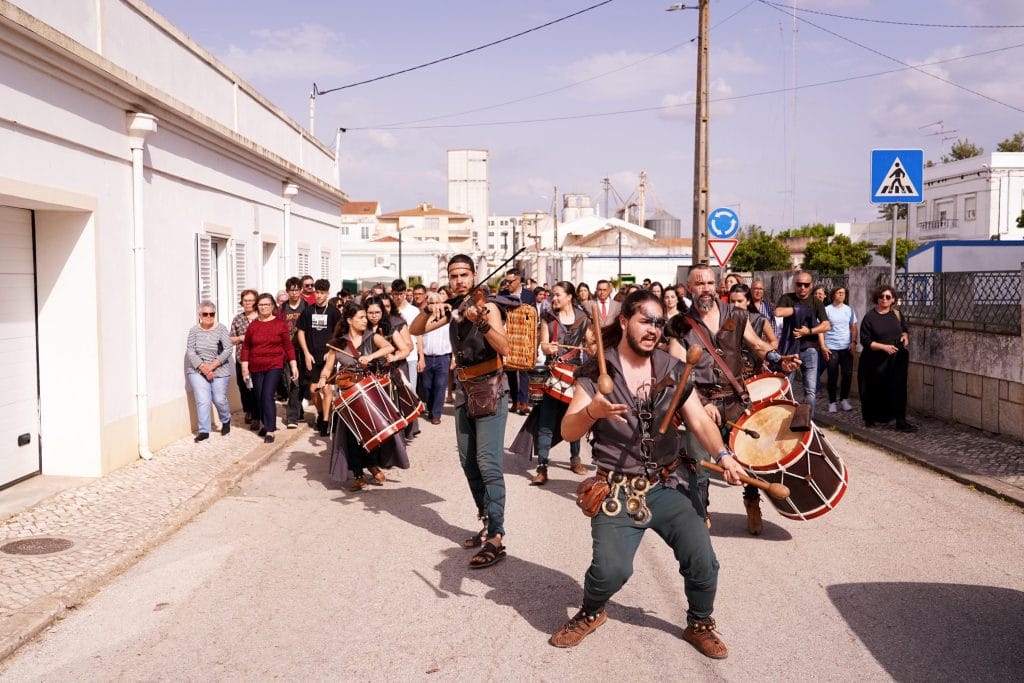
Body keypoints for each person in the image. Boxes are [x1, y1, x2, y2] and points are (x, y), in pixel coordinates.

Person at [548, 289, 747, 658]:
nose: (653, 328)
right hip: (617, 489)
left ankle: (700, 623)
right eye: (645, 320)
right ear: (624, 321)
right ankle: (592, 611)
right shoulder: (597, 370)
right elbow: (567, 431)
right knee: (610, 572)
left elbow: (700, 421)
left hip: (667, 484)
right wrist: (593, 411)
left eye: (658, 322)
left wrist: (723, 454)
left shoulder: (673, 368)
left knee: (702, 559)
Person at [670, 265, 798, 535]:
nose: (705, 288)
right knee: (698, 462)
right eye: (698, 283)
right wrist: (700, 402)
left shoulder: (738, 316)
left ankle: (752, 504)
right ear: (689, 288)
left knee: (749, 457)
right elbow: (677, 371)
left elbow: (757, 345)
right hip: (700, 403)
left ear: (718, 286)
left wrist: (778, 359)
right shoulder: (679, 325)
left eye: (709, 283)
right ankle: (700, 510)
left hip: (736, 401)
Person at [411, 254, 511, 569]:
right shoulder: (453, 311)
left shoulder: (489, 306)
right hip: (465, 392)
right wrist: (430, 307)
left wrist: (479, 320)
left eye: (464, 274)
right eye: (453, 275)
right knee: (468, 462)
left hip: (491, 388)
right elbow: (417, 329)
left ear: (474, 275)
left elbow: (504, 347)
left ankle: (497, 535)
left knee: (488, 463)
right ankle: (486, 521)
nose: (458, 280)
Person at [316, 301, 403, 489]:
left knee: (372, 433)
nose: (365, 320)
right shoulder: (338, 343)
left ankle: (372, 465)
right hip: (348, 394)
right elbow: (328, 368)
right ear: (349, 320)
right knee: (351, 436)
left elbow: (389, 347)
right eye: (361, 317)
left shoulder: (372, 337)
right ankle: (357, 474)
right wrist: (323, 379)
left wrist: (370, 357)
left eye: (365, 317)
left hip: (368, 392)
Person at [512, 281, 591, 485]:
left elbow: (591, 343)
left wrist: (593, 348)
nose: (553, 298)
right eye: (552, 295)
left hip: (574, 374)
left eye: (557, 295)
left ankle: (575, 459)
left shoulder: (583, 319)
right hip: (553, 373)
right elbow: (544, 344)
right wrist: (548, 349)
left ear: (569, 296)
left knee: (574, 419)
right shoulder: (548, 318)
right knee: (546, 422)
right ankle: (542, 467)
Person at [241, 293, 298, 443]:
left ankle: (270, 430)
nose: (264, 307)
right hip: (256, 366)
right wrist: (244, 366)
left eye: (266, 304)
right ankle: (266, 425)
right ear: (257, 307)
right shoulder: (253, 325)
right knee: (259, 397)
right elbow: (246, 347)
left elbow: (288, 346)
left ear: (272, 306)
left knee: (267, 395)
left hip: (274, 365)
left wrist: (293, 364)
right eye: (261, 305)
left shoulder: (280, 324)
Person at [858, 286, 916, 432]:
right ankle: (870, 418)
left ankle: (900, 421)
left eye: (888, 297)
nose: (884, 299)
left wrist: (905, 336)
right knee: (873, 389)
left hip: (896, 358)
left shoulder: (897, 314)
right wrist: (884, 347)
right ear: (877, 299)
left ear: (893, 300)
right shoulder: (870, 317)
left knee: (899, 389)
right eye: (881, 296)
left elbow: (904, 329)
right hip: (875, 360)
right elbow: (865, 340)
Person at [775, 271, 830, 418]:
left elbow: (826, 325)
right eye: (799, 284)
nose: (803, 288)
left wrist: (809, 331)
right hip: (789, 349)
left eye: (806, 285)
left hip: (809, 349)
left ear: (811, 285)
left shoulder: (816, 302)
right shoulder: (787, 298)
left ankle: (807, 421)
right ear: (795, 285)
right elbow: (778, 312)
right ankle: (782, 419)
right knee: (785, 386)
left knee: (810, 390)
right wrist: (798, 310)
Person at [296, 279, 342, 436]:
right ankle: (322, 413)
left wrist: (331, 350)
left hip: (328, 357)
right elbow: (300, 332)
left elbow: (339, 334)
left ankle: (326, 422)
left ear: (328, 293)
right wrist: (306, 353)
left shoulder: (334, 312)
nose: (319, 295)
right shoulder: (308, 311)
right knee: (313, 390)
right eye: (317, 292)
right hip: (312, 356)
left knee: (327, 390)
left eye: (322, 293)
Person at [185, 301, 234, 442]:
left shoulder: (221, 329)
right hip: (197, 370)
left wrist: (212, 366)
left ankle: (225, 419)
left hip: (219, 369)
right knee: (203, 400)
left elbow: (228, 349)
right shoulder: (194, 330)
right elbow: (191, 351)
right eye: (205, 314)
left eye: (211, 314)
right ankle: (204, 430)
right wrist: (203, 368)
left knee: (219, 398)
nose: (208, 316)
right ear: (200, 315)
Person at [499, 268, 536, 415]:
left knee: (524, 370)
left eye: (510, 281)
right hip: (508, 336)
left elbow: (533, 315)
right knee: (510, 370)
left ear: (519, 280)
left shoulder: (529, 295)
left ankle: (524, 402)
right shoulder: (502, 294)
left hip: (525, 335)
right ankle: (514, 401)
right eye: (506, 281)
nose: (508, 284)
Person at [728, 284, 779, 378]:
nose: (735, 305)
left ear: (748, 301)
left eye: (740, 301)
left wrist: (766, 355)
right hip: (730, 373)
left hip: (754, 371)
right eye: (732, 301)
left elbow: (774, 340)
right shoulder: (723, 319)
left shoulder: (760, 319)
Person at [277, 277, 308, 429]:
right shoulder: (282, 309)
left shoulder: (307, 306)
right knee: (291, 382)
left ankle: (297, 409)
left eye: (297, 290)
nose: (294, 293)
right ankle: (292, 418)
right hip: (286, 349)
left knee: (302, 382)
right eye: (291, 290)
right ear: (287, 291)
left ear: (301, 290)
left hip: (303, 349)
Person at [418, 291, 453, 424]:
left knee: (440, 386)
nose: (434, 305)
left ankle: (436, 414)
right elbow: (419, 338)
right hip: (427, 357)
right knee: (426, 386)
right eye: (431, 303)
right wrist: (421, 357)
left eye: (437, 303)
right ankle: (431, 408)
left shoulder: (447, 318)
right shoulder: (424, 318)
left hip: (443, 357)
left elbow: (453, 338)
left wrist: (453, 358)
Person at [822, 286, 857, 413]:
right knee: (832, 375)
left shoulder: (849, 310)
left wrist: (853, 342)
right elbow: (821, 329)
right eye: (839, 293)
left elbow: (853, 327)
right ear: (833, 295)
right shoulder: (826, 310)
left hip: (846, 347)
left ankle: (844, 399)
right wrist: (823, 346)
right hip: (831, 347)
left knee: (847, 374)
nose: (842, 295)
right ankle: (832, 402)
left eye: (843, 293)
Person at [229, 289, 259, 426]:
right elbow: (230, 339)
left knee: (258, 387)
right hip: (242, 359)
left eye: (251, 300)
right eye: (245, 300)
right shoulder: (238, 319)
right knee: (244, 386)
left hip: (259, 359)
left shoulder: (261, 317)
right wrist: (240, 338)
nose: (248, 303)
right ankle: (249, 410)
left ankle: (257, 413)